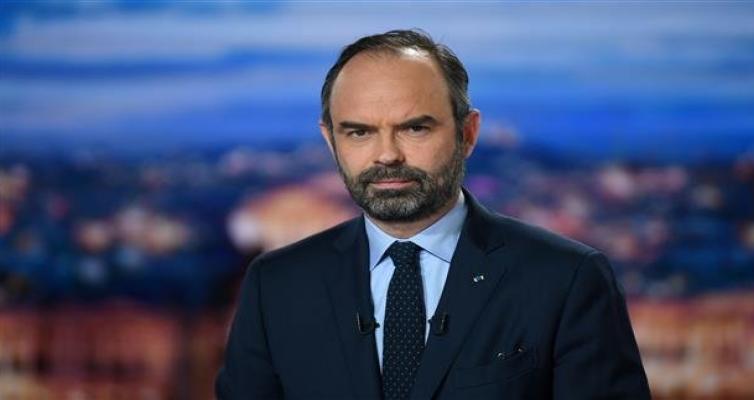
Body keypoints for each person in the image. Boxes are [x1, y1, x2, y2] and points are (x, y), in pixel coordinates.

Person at [216, 29, 650, 400]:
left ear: (468, 134)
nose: (387, 155)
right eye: (359, 132)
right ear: (331, 142)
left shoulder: (567, 279)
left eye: (414, 128)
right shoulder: (276, 285)